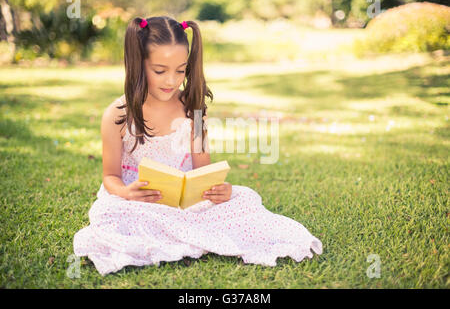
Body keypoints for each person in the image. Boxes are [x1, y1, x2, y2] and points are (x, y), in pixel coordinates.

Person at [73, 16, 322, 276]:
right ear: (138, 64)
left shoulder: (193, 109)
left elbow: (202, 169)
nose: (172, 80)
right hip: (138, 200)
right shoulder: (116, 114)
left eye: (180, 70)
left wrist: (217, 190)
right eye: (160, 71)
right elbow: (110, 177)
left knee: (244, 198)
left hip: (184, 202)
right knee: (107, 213)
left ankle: (182, 225)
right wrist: (126, 193)